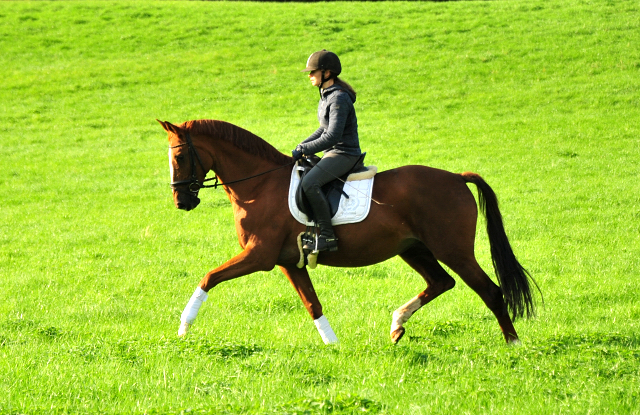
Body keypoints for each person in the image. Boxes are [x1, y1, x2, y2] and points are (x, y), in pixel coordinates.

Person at [291, 50, 362, 252]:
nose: (309, 75)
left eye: (313, 72)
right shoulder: (327, 95)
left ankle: (328, 237)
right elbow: (323, 129)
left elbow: (333, 136)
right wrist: (301, 146)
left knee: (310, 182)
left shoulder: (338, 98)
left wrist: (304, 148)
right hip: (333, 152)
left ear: (327, 73)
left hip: (345, 154)